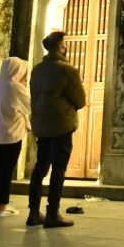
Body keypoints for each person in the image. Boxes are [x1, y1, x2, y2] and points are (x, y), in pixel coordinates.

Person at [27, 31, 85, 228]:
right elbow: (80, 100)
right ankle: (53, 212)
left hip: (41, 124)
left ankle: (34, 212)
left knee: (40, 167)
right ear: (61, 48)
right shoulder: (67, 70)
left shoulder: (37, 69)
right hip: (61, 125)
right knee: (58, 168)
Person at [0, 57, 30, 216]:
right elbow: (29, 105)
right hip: (11, 134)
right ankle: (3, 206)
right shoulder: (15, 87)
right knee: (6, 170)